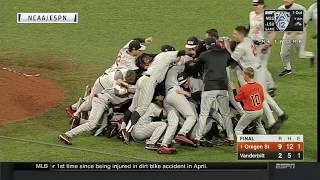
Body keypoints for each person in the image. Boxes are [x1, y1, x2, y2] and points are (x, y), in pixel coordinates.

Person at [227, 26, 288, 134]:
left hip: (254, 73)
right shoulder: (248, 40)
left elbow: (232, 60)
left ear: (241, 35)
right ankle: (280, 114)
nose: (233, 36)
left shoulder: (240, 47)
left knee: (261, 96)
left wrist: (227, 47)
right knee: (264, 95)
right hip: (258, 69)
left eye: (235, 34)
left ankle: (272, 121)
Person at [58, 70, 137, 145]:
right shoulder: (119, 84)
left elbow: (133, 90)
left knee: (101, 126)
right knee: (92, 124)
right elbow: (119, 91)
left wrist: (129, 86)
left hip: (105, 103)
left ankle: (79, 120)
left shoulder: (126, 85)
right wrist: (128, 86)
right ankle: (67, 135)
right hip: (101, 100)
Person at [192, 38, 235, 146]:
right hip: (223, 87)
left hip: (210, 87)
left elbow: (196, 68)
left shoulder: (205, 55)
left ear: (207, 46)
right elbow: (231, 61)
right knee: (226, 114)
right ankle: (230, 138)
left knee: (203, 114)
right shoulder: (225, 54)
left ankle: (197, 138)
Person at [277, 0, 314, 76]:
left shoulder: (300, 9)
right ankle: (287, 69)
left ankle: (311, 55)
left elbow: (304, 23)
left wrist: (294, 34)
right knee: (283, 53)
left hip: (299, 35)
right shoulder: (280, 9)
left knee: (300, 54)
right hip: (287, 34)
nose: (286, 0)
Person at [248, 0, 277, 96]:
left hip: (263, 45)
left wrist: (267, 44)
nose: (255, 6)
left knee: (261, 66)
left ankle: (267, 89)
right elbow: (251, 29)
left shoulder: (268, 16)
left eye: (257, 5)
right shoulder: (251, 14)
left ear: (262, 5)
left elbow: (273, 32)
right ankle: (271, 85)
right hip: (253, 45)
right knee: (258, 65)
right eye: (253, 5)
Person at [234, 67, 266, 135]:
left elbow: (237, 99)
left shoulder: (244, 87)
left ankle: (243, 145)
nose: (243, 77)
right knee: (259, 125)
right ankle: (266, 142)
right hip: (260, 110)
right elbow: (262, 99)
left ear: (246, 75)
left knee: (238, 129)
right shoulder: (259, 85)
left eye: (244, 75)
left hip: (251, 112)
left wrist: (234, 90)